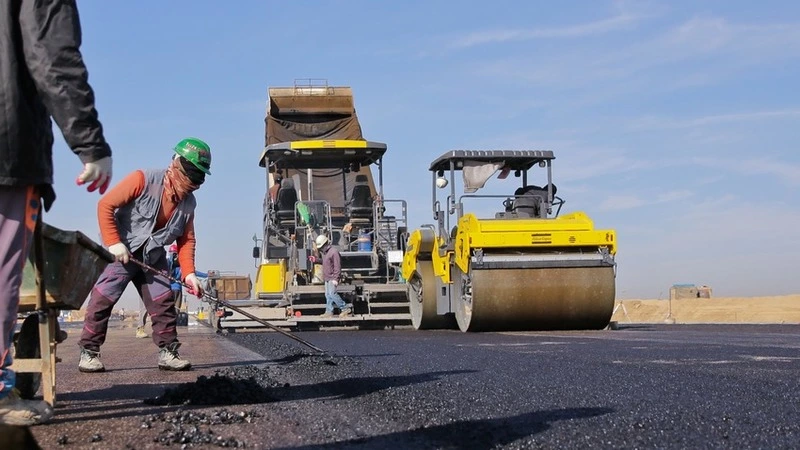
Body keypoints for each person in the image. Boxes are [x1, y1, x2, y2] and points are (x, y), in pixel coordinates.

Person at [0, 0, 113, 426]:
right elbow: (51, 55)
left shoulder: (184, 203)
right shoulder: (145, 183)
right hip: (6, 148)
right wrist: (90, 142)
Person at [78, 138, 211, 373]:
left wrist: (189, 274)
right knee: (102, 300)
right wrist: (113, 243)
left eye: (198, 177)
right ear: (176, 164)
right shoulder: (143, 179)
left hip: (152, 257)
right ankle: (89, 352)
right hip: (122, 252)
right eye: (190, 174)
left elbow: (186, 240)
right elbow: (105, 205)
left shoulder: (189, 203)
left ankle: (168, 353)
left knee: (163, 304)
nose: (192, 183)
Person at [315, 235, 352, 318]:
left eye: (321, 247)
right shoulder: (325, 253)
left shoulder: (334, 252)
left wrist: (336, 278)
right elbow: (325, 262)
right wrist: (315, 260)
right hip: (327, 277)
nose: (321, 249)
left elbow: (337, 266)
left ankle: (345, 308)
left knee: (332, 294)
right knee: (328, 295)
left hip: (332, 277)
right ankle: (329, 311)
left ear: (325, 244)